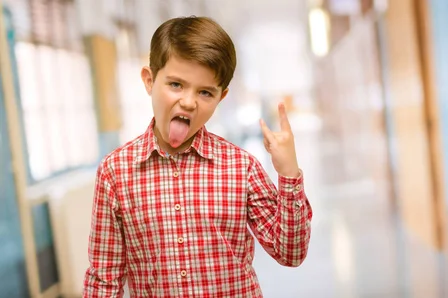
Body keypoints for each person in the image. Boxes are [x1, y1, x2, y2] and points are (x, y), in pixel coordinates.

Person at [83, 16, 313, 298]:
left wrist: (288, 172)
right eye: (176, 85)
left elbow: (290, 253)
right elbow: (103, 279)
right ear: (149, 80)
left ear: (221, 97)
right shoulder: (114, 173)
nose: (189, 102)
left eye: (205, 92)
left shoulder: (242, 168)